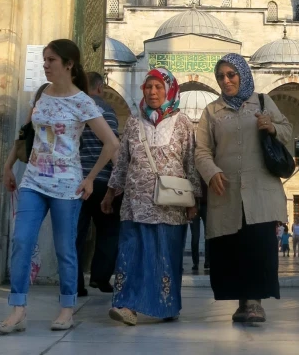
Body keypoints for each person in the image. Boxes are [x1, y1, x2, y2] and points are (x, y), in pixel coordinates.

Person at [0, 40, 119, 335]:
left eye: (51, 60)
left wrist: (89, 178)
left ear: (68, 64)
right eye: (43, 59)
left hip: (67, 186)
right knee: (22, 240)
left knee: (65, 249)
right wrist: (8, 165)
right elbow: (25, 134)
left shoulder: (83, 102)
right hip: (33, 181)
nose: (45, 64)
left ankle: (66, 308)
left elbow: (112, 143)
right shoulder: (42, 94)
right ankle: (18, 309)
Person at [195, 53, 292, 324]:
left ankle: (254, 302)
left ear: (243, 74)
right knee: (233, 248)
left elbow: (288, 130)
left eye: (231, 75)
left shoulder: (262, 101)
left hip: (260, 189)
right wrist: (211, 172)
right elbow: (201, 150)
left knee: (257, 245)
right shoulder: (211, 111)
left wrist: (271, 126)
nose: (226, 81)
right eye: (220, 77)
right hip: (226, 190)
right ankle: (241, 302)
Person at [101, 67, 201, 326]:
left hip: (170, 203)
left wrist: (194, 201)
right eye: (149, 87)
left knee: (165, 255)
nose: (153, 92)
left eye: (158, 87)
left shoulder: (182, 123)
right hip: (135, 202)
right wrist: (111, 193)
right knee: (131, 252)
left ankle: (167, 306)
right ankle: (127, 306)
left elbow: (191, 162)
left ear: (169, 89)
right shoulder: (134, 122)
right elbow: (122, 161)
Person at [76, 71, 121, 297]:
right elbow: (112, 145)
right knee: (110, 230)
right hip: (103, 181)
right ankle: (100, 277)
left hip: (77, 181)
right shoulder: (107, 111)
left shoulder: (75, 107)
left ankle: (75, 283)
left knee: (77, 233)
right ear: (100, 88)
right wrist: (119, 181)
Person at [190, 177, 210, 272]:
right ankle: (195, 262)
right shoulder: (192, 167)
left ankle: (207, 261)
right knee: (195, 236)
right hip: (194, 204)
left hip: (206, 204)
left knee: (208, 235)